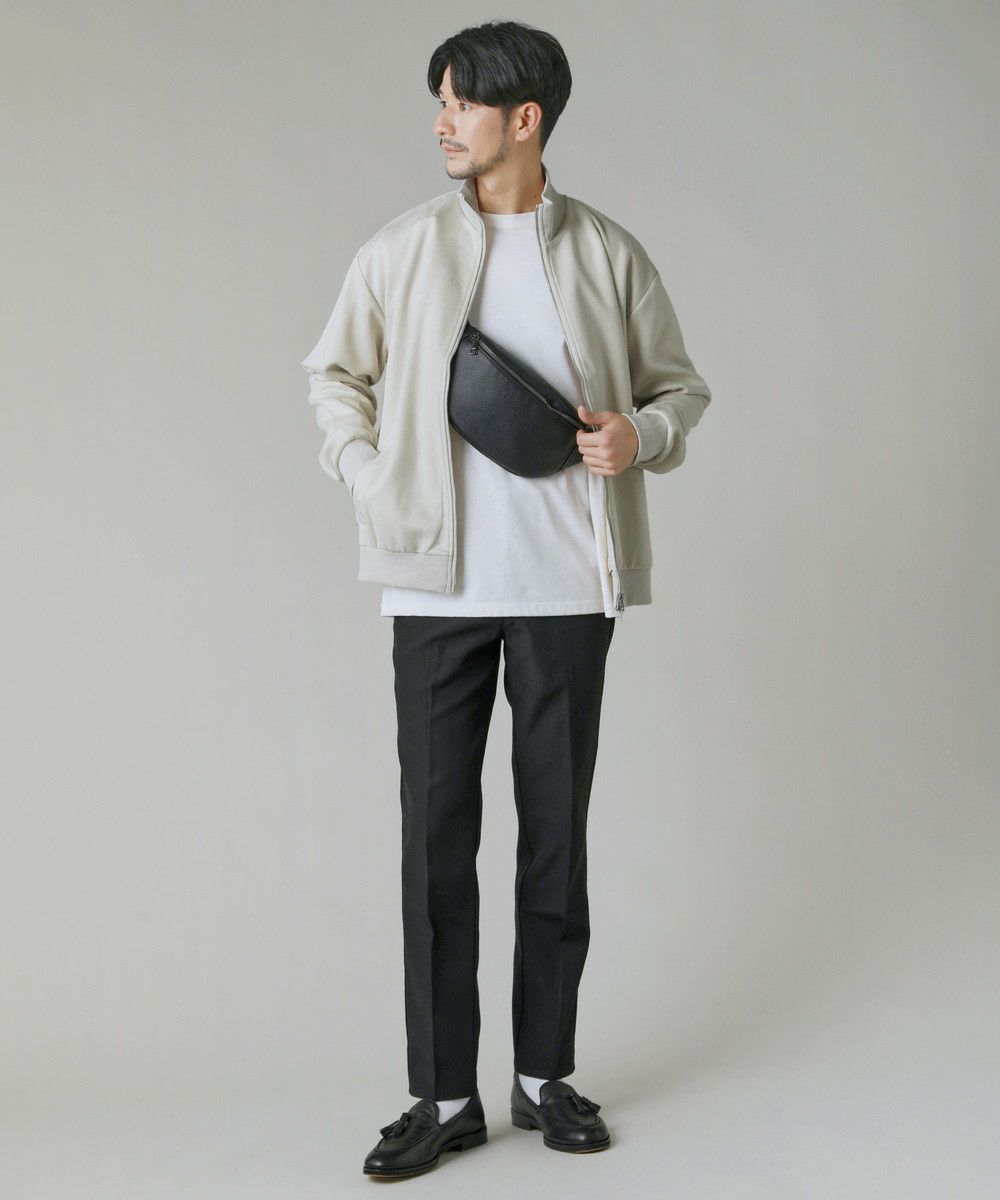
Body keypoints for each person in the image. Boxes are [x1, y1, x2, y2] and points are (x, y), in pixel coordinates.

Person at [300, 19, 712, 1180]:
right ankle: (442, 1096)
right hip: (434, 589)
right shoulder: (400, 250)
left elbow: (679, 388)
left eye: (461, 103)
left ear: (523, 120)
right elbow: (332, 374)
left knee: (553, 840)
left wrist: (642, 435)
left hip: (569, 587)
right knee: (434, 841)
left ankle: (543, 1078)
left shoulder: (606, 253)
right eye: (438, 101)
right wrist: (366, 473)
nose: (441, 122)